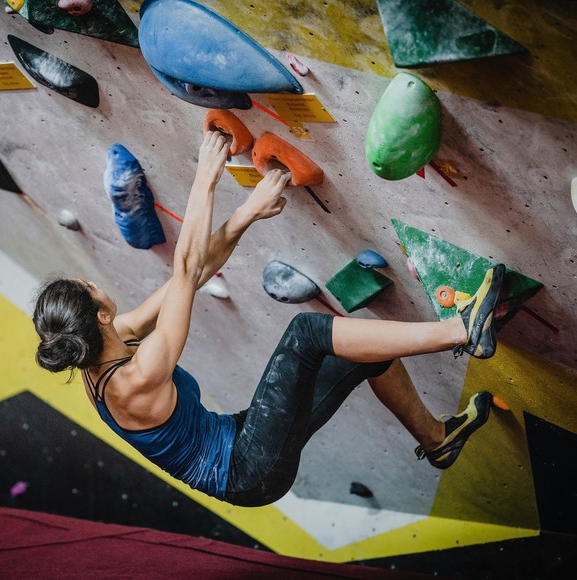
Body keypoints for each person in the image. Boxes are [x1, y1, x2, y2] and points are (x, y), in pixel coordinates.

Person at [33, 131, 505, 507]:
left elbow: (192, 278)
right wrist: (206, 175)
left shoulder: (113, 341)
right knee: (307, 334)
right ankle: (463, 330)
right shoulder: (135, 379)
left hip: (243, 438)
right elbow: (185, 268)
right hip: (248, 471)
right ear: (98, 313)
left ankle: (438, 439)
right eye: (88, 287)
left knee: (364, 353)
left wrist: (247, 215)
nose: (95, 284)